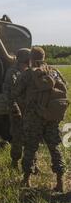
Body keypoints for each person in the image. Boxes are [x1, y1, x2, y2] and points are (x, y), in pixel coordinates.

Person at [12, 47, 67, 191]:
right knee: (54, 147)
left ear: (30, 59)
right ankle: (60, 181)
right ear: (44, 58)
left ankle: (26, 180)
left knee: (30, 147)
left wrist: (26, 106)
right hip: (50, 116)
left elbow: (15, 93)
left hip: (33, 116)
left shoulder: (27, 74)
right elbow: (64, 89)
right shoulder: (53, 71)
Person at [3, 48, 31, 169]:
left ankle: (31, 163)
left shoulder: (30, 72)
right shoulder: (12, 72)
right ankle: (15, 162)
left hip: (30, 111)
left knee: (32, 137)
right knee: (17, 137)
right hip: (18, 111)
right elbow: (8, 93)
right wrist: (15, 109)